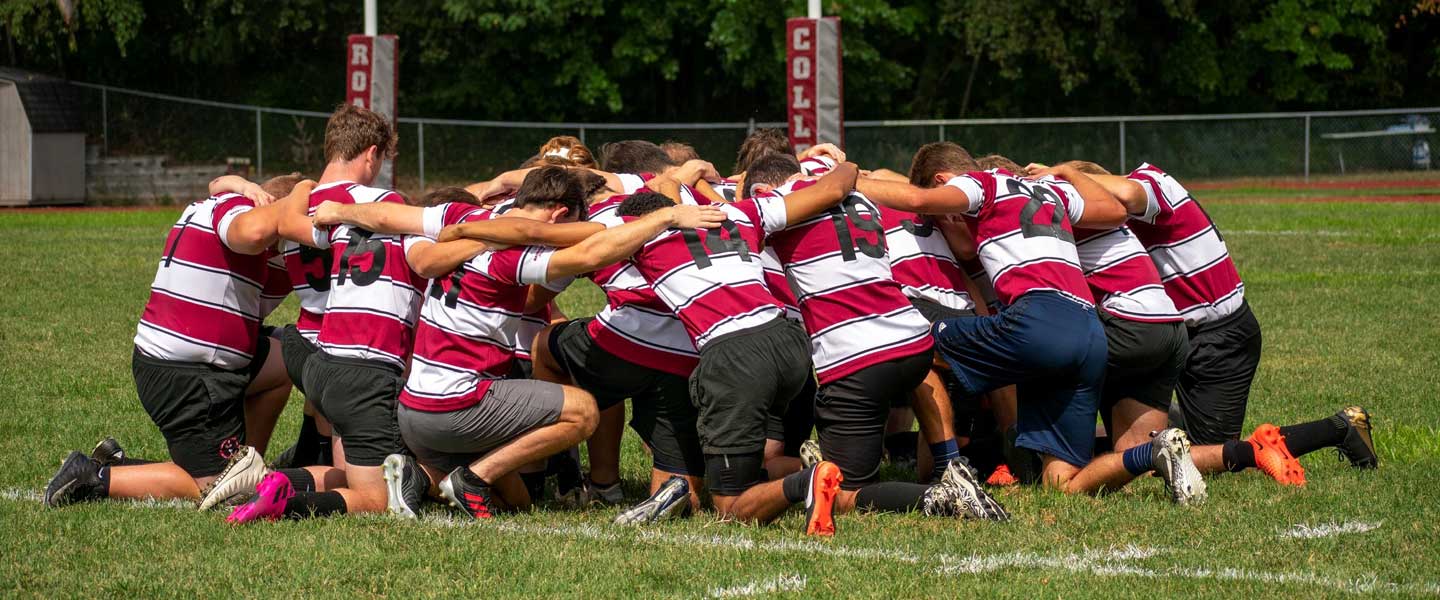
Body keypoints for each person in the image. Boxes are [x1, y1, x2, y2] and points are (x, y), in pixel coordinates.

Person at [855, 142, 1208, 504]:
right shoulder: (1048, 191)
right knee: (1061, 483)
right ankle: (1154, 453)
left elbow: (916, 200)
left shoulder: (982, 185)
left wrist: (850, 182)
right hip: (1088, 330)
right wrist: (1070, 173)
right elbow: (1116, 211)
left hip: (1038, 319)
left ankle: (952, 464)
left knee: (911, 338)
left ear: (948, 181)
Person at [1047, 160, 1378, 482]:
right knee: (1164, 448)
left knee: (1218, 457)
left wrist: (1066, 174)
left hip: (1220, 337)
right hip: (1178, 332)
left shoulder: (1151, 181)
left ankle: (1340, 427)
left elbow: (1130, 195)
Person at [739, 152, 1004, 520]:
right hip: (911, 338)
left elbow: (734, 217)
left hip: (855, 355)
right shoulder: (860, 197)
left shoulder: (773, 204)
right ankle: (949, 462)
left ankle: (939, 497)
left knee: (843, 494)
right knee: (921, 381)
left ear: (762, 189)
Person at [43, 175, 311, 509]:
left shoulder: (221, 204)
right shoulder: (239, 213)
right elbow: (252, 231)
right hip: (187, 374)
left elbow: (218, 185)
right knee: (212, 488)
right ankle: (94, 478)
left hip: (176, 361)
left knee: (287, 357)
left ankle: (244, 463)